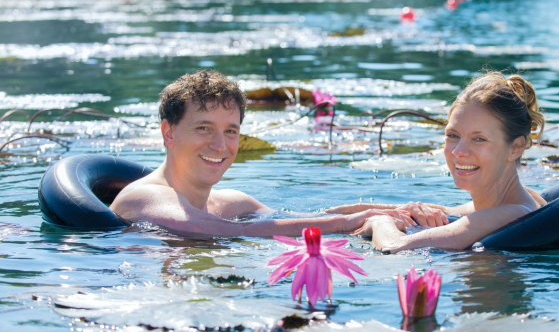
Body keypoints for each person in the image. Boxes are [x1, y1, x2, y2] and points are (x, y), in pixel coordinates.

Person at [111, 70, 410, 237]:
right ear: (168, 132)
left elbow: (305, 217)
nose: (220, 145)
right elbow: (212, 229)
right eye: (203, 128)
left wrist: (398, 210)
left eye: (230, 131)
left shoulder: (232, 202)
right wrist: (345, 225)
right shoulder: (144, 196)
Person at [352, 71, 546, 252]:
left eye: (479, 139)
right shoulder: (515, 198)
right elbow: (448, 211)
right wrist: (346, 216)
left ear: (515, 148)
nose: (459, 151)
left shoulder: (509, 215)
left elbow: (394, 247)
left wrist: (380, 223)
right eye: (453, 135)